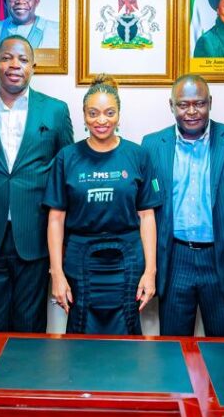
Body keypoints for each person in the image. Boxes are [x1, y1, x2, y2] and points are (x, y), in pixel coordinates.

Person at [0, 36, 73, 332]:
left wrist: (64, 244)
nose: (14, 65)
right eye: (7, 58)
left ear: (33, 67)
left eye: (22, 59)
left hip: (36, 238)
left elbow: (66, 180)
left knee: (30, 331)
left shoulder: (55, 111)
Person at [44, 75, 160, 334]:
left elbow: (147, 216)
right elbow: (55, 219)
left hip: (127, 262)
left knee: (127, 336)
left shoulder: (138, 155)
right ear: (84, 116)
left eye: (109, 113)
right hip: (80, 262)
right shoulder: (67, 157)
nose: (101, 120)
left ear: (119, 115)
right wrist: (57, 274)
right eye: (93, 113)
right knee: (81, 335)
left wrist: (150, 272)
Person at [141, 74, 224, 337]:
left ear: (210, 103)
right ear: (172, 105)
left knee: (223, 349)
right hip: (174, 258)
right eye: (183, 105)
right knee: (173, 348)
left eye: (199, 103)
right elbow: (145, 208)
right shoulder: (152, 145)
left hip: (222, 258)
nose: (192, 111)